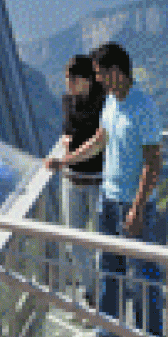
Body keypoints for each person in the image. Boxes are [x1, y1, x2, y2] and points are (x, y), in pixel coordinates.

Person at [67, 41, 164, 337]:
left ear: (117, 71)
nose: (98, 80)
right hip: (109, 197)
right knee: (109, 266)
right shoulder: (111, 102)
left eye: (100, 74)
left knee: (142, 273)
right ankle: (108, 330)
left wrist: (137, 208)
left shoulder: (144, 107)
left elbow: (152, 162)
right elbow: (100, 141)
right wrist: (66, 161)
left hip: (133, 201)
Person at [43, 54, 105, 310]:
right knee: (73, 241)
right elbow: (68, 132)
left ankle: (102, 296)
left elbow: (98, 143)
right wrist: (65, 149)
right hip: (72, 179)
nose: (69, 84)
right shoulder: (67, 101)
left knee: (102, 241)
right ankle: (91, 293)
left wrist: (65, 160)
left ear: (88, 79)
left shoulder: (104, 102)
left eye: (73, 79)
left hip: (99, 179)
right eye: (67, 79)